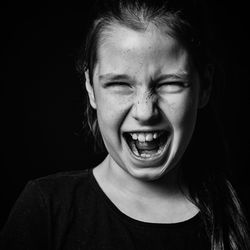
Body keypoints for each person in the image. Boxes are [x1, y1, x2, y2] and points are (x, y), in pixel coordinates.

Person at [1, 0, 249, 249]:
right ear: (90, 88)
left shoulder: (239, 214)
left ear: (204, 86)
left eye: (170, 84)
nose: (145, 111)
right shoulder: (46, 210)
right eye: (119, 84)